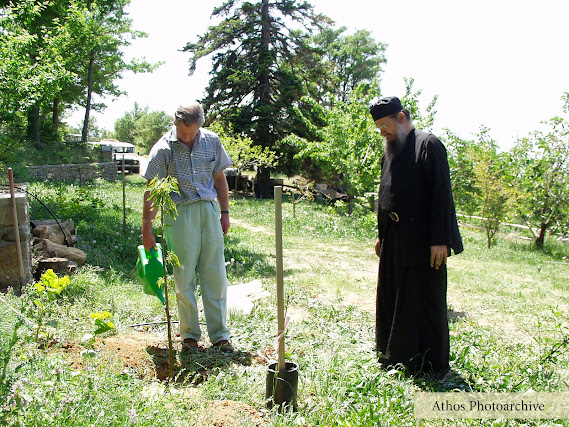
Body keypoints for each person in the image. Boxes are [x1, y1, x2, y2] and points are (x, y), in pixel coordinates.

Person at [369, 96, 463, 377]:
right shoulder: (390, 150)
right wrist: (381, 235)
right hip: (394, 237)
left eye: (384, 125)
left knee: (423, 297)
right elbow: (385, 194)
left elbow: (441, 194)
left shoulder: (429, 144)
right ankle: (394, 354)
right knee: (392, 295)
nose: (381, 132)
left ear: (400, 118)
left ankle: (430, 364)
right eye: (378, 127)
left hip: (424, 240)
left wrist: (440, 239)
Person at [142, 103, 234, 352]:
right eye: (183, 133)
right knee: (184, 277)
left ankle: (220, 335)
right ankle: (190, 336)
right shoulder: (163, 150)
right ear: (175, 124)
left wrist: (224, 212)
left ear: (200, 126)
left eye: (192, 133)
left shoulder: (212, 142)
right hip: (178, 213)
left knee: (215, 275)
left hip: (208, 210)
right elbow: (152, 191)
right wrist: (147, 229)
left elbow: (219, 179)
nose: (187, 137)